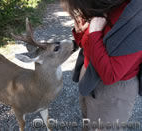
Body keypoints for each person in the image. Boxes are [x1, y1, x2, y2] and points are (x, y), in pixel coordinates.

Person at [60, 0, 142, 130]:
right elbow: (88, 47)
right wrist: (81, 32)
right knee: (88, 123)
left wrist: (94, 34)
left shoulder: (136, 18)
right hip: (89, 76)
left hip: (113, 92)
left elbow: (110, 75)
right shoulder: (103, 6)